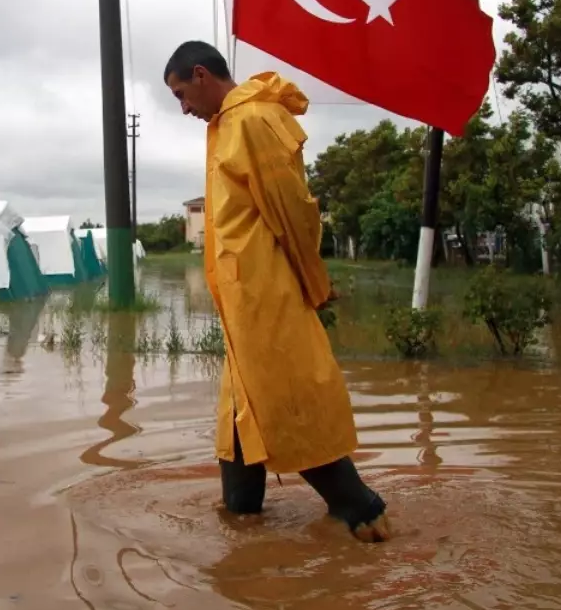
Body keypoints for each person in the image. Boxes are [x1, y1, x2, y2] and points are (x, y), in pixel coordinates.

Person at [162, 40, 391, 542]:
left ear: (201, 74)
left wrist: (314, 284)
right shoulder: (229, 124)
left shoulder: (252, 121)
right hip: (241, 303)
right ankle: (242, 521)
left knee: (285, 400)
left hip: (267, 295)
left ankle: (359, 508)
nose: (183, 109)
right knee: (243, 414)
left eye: (182, 94)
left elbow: (293, 213)